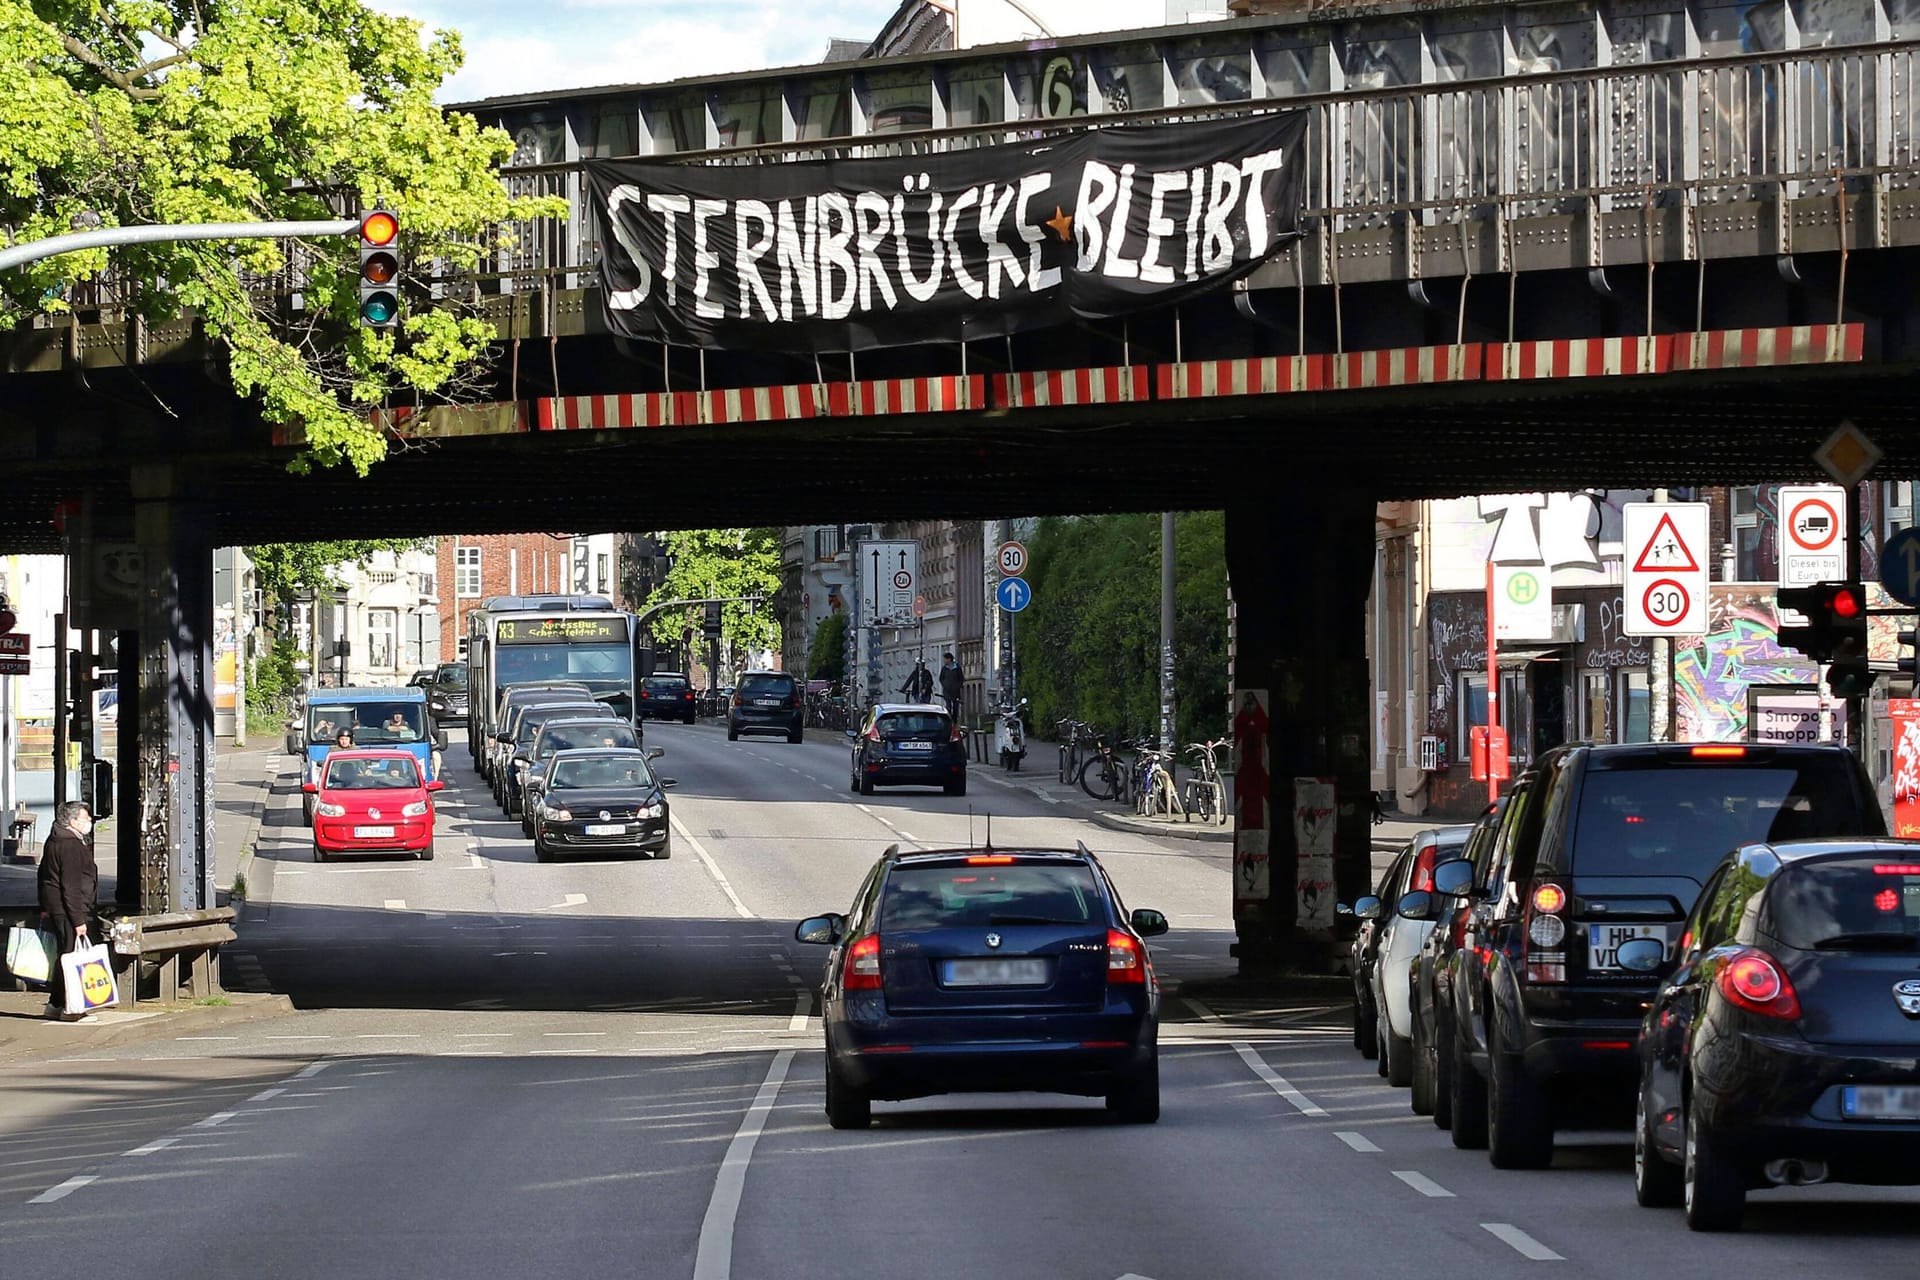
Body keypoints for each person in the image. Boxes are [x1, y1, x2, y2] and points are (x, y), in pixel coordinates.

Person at [37, 802, 98, 1022]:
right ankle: (73, 1009)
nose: (89, 821)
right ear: (72, 821)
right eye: (86, 818)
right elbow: (70, 885)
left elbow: (44, 875)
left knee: (65, 956)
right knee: (73, 958)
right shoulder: (71, 845)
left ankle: (55, 1004)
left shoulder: (54, 839)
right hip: (69, 909)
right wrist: (79, 919)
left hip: (56, 907)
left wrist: (44, 906)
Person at [938, 653, 964, 720]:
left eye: (945, 659)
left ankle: (955, 721)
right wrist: (945, 685)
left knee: (955, 708)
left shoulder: (957, 667)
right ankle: (949, 721)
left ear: (949, 659)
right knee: (948, 707)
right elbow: (941, 678)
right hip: (947, 691)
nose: (944, 660)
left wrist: (958, 686)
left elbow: (961, 678)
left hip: (955, 691)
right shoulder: (944, 668)